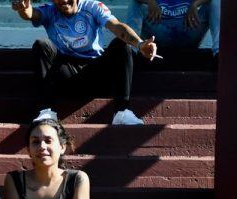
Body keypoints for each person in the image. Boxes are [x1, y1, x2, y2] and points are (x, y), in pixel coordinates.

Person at [12, 0, 159, 125]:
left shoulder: (93, 6)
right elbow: (31, 14)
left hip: (98, 74)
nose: (63, 1)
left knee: (122, 45)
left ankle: (122, 112)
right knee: (41, 44)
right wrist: (24, 8)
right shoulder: (49, 11)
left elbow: (117, 27)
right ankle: (47, 111)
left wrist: (140, 45)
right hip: (66, 75)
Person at [126, 0, 220, 57]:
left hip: (188, 28)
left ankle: (219, 52)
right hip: (160, 30)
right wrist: (150, 1)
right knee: (135, 4)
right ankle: (130, 51)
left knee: (216, 2)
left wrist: (195, 4)